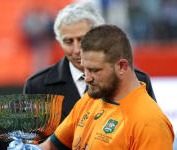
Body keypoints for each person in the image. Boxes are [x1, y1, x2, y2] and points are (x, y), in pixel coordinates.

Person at [39, 24, 174, 150]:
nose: (87, 78)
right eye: (84, 69)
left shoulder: (150, 123)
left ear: (122, 66)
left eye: (95, 70)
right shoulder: (90, 99)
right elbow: (51, 145)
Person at [23, 1, 156, 122]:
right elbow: (31, 145)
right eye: (68, 42)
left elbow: (151, 133)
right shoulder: (36, 87)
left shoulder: (138, 81)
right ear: (59, 41)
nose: (76, 50)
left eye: (82, 40)